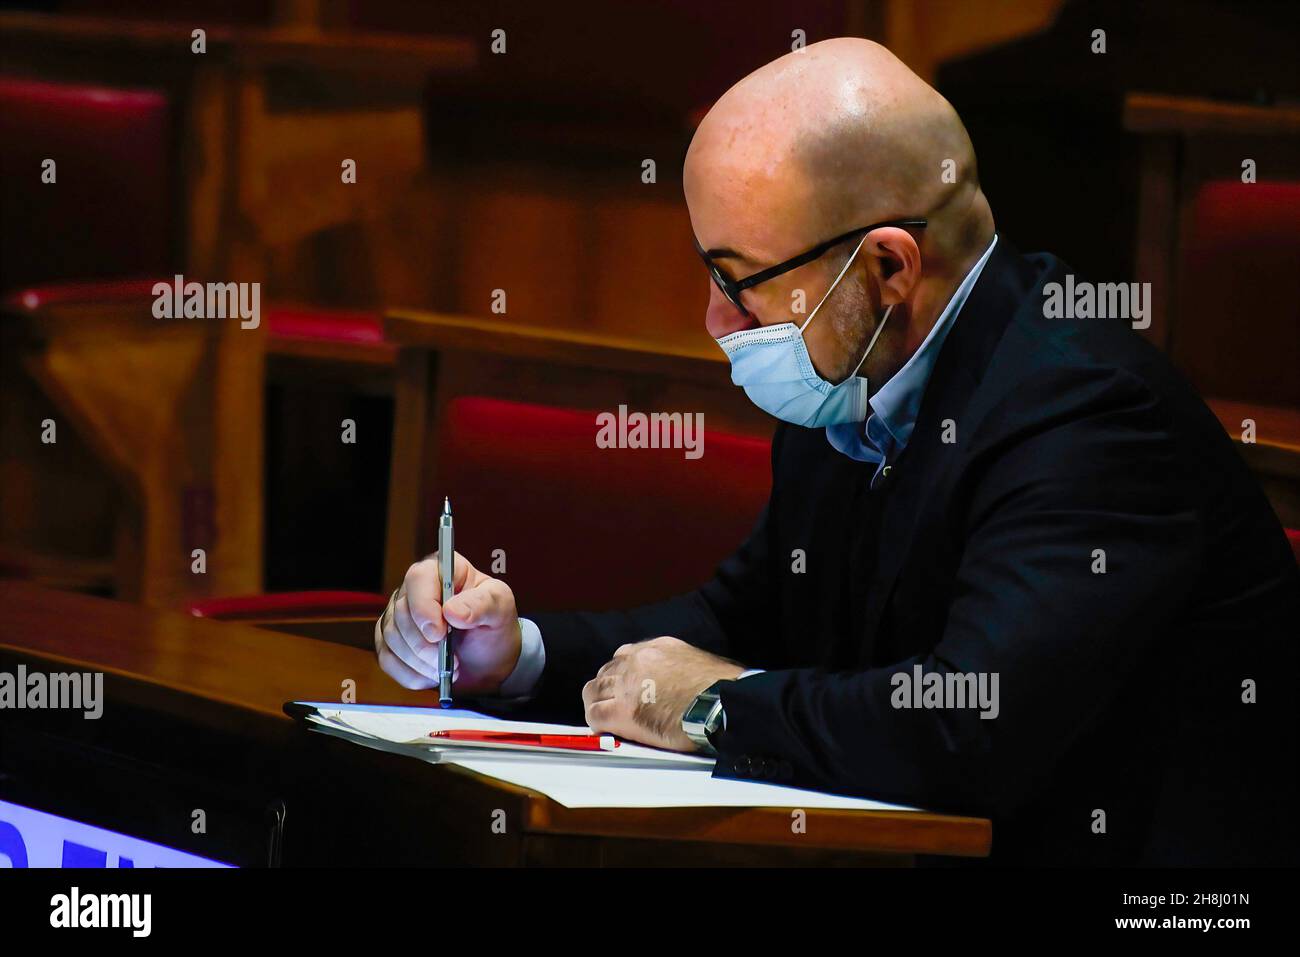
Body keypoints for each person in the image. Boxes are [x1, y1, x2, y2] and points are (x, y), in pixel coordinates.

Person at [374, 38, 1298, 865]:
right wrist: (514, 653)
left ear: (888, 269)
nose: (716, 322)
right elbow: (742, 619)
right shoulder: (858, 361)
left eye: (739, 282)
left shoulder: (1086, 410)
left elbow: (967, 725)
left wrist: (715, 710)